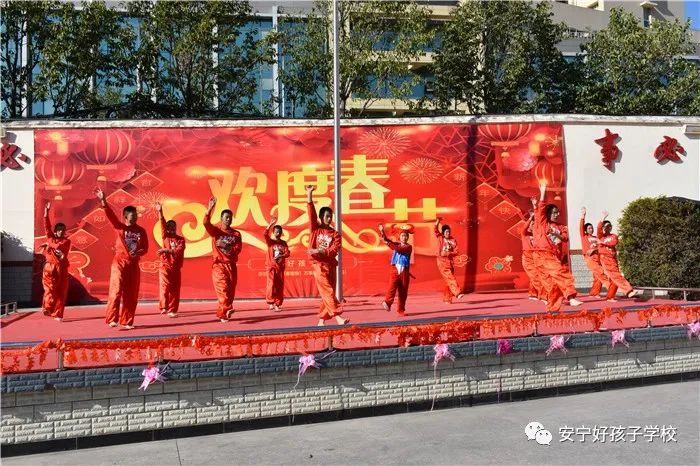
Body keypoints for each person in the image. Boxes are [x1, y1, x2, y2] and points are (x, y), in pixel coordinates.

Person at [95, 187, 148, 329]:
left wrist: (139, 252)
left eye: (136, 216)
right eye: (132, 216)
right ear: (125, 216)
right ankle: (112, 319)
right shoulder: (120, 228)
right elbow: (111, 216)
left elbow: (145, 248)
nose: (135, 218)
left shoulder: (141, 231)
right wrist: (103, 201)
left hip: (133, 264)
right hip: (119, 263)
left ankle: (127, 321)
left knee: (131, 294)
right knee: (116, 290)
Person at [532, 183, 583, 312]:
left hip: (552, 256)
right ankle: (568, 298)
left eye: (557, 212)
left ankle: (555, 307)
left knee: (555, 281)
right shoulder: (542, 223)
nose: (557, 214)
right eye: (554, 212)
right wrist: (543, 191)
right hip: (541, 255)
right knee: (557, 277)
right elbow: (541, 207)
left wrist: (556, 234)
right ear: (548, 214)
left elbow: (565, 238)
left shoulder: (561, 227)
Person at [306, 185, 349, 326]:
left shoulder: (335, 234)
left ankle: (321, 321)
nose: (329, 218)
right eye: (326, 216)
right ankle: (338, 317)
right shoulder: (315, 229)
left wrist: (319, 251)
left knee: (327, 293)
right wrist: (309, 194)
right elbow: (311, 213)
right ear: (321, 217)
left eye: (330, 216)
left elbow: (334, 250)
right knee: (328, 290)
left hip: (330, 265)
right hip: (318, 265)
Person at [204, 197, 242, 322]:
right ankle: (228, 308)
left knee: (230, 292)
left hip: (231, 265)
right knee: (223, 289)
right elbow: (206, 223)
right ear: (221, 218)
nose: (228, 219)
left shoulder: (236, 234)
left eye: (230, 217)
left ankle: (223, 314)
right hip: (219, 265)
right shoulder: (216, 231)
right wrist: (210, 208)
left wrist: (226, 246)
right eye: (226, 217)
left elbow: (238, 249)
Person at [597, 211, 641, 301]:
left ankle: (610, 297)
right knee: (616, 275)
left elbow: (613, 242)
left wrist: (601, 242)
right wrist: (603, 218)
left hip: (613, 259)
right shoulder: (601, 236)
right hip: (605, 258)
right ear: (603, 228)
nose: (608, 228)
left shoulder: (614, 236)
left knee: (614, 278)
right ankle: (629, 291)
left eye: (610, 226)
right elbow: (598, 228)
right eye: (606, 226)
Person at [40, 201, 71, 321]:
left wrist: (48, 243)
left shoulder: (66, 241)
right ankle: (48, 308)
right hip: (49, 267)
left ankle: (58, 314)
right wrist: (46, 213)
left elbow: (58, 246)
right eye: (59, 230)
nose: (61, 232)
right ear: (55, 230)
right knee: (49, 289)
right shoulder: (50, 237)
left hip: (61, 268)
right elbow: (46, 226)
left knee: (61, 291)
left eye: (63, 230)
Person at [155, 202, 185, 318]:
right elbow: (162, 224)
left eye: (173, 227)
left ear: (176, 228)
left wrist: (166, 250)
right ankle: (164, 307)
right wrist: (160, 212)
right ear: (166, 229)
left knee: (175, 289)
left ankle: (172, 310)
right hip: (165, 266)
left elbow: (178, 251)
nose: (171, 229)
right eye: (169, 227)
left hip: (176, 268)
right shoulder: (165, 237)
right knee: (165, 286)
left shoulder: (181, 240)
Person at [580, 207, 614, 299]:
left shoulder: (596, 237)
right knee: (600, 272)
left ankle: (594, 293)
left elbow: (600, 245)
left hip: (598, 257)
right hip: (590, 258)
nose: (591, 229)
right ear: (585, 230)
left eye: (591, 228)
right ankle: (612, 289)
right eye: (589, 228)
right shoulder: (584, 236)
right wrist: (583, 215)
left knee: (597, 276)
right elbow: (581, 227)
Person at [379, 224, 413, 316]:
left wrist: (388, 243)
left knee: (403, 292)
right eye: (402, 235)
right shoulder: (396, 244)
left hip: (404, 271)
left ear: (408, 237)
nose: (404, 237)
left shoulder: (408, 247)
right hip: (394, 269)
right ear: (400, 237)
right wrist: (382, 231)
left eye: (406, 236)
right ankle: (387, 303)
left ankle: (401, 310)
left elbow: (398, 249)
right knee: (392, 287)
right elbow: (386, 240)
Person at [434, 217, 464, 304]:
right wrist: (438, 221)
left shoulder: (453, 240)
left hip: (450, 262)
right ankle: (457, 293)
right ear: (443, 232)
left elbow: (456, 251)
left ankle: (447, 299)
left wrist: (448, 253)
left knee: (448, 281)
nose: (448, 233)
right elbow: (435, 229)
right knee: (451, 278)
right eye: (446, 231)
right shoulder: (440, 238)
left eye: (449, 231)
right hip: (441, 261)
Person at [264, 217, 290, 312]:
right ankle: (271, 302)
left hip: (280, 268)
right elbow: (265, 234)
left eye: (279, 232)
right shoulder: (270, 242)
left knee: (279, 286)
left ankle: (277, 304)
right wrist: (270, 225)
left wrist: (281, 256)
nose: (278, 233)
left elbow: (287, 253)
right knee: (271, 285)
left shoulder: (283, 243)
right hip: (271, 267)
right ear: (273, 232)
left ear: (281, 233)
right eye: (276, 232)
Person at [520, 208, 544, 302]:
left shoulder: (537, 235)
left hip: (537, 257)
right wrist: (531, 218)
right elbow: (524, 228)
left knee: (537, 276)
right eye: (531, 224)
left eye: (534, 224)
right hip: (527, 258)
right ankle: (543, 295)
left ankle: (533, 294)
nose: (532, 225)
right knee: (535, 276)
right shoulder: (524, 233)